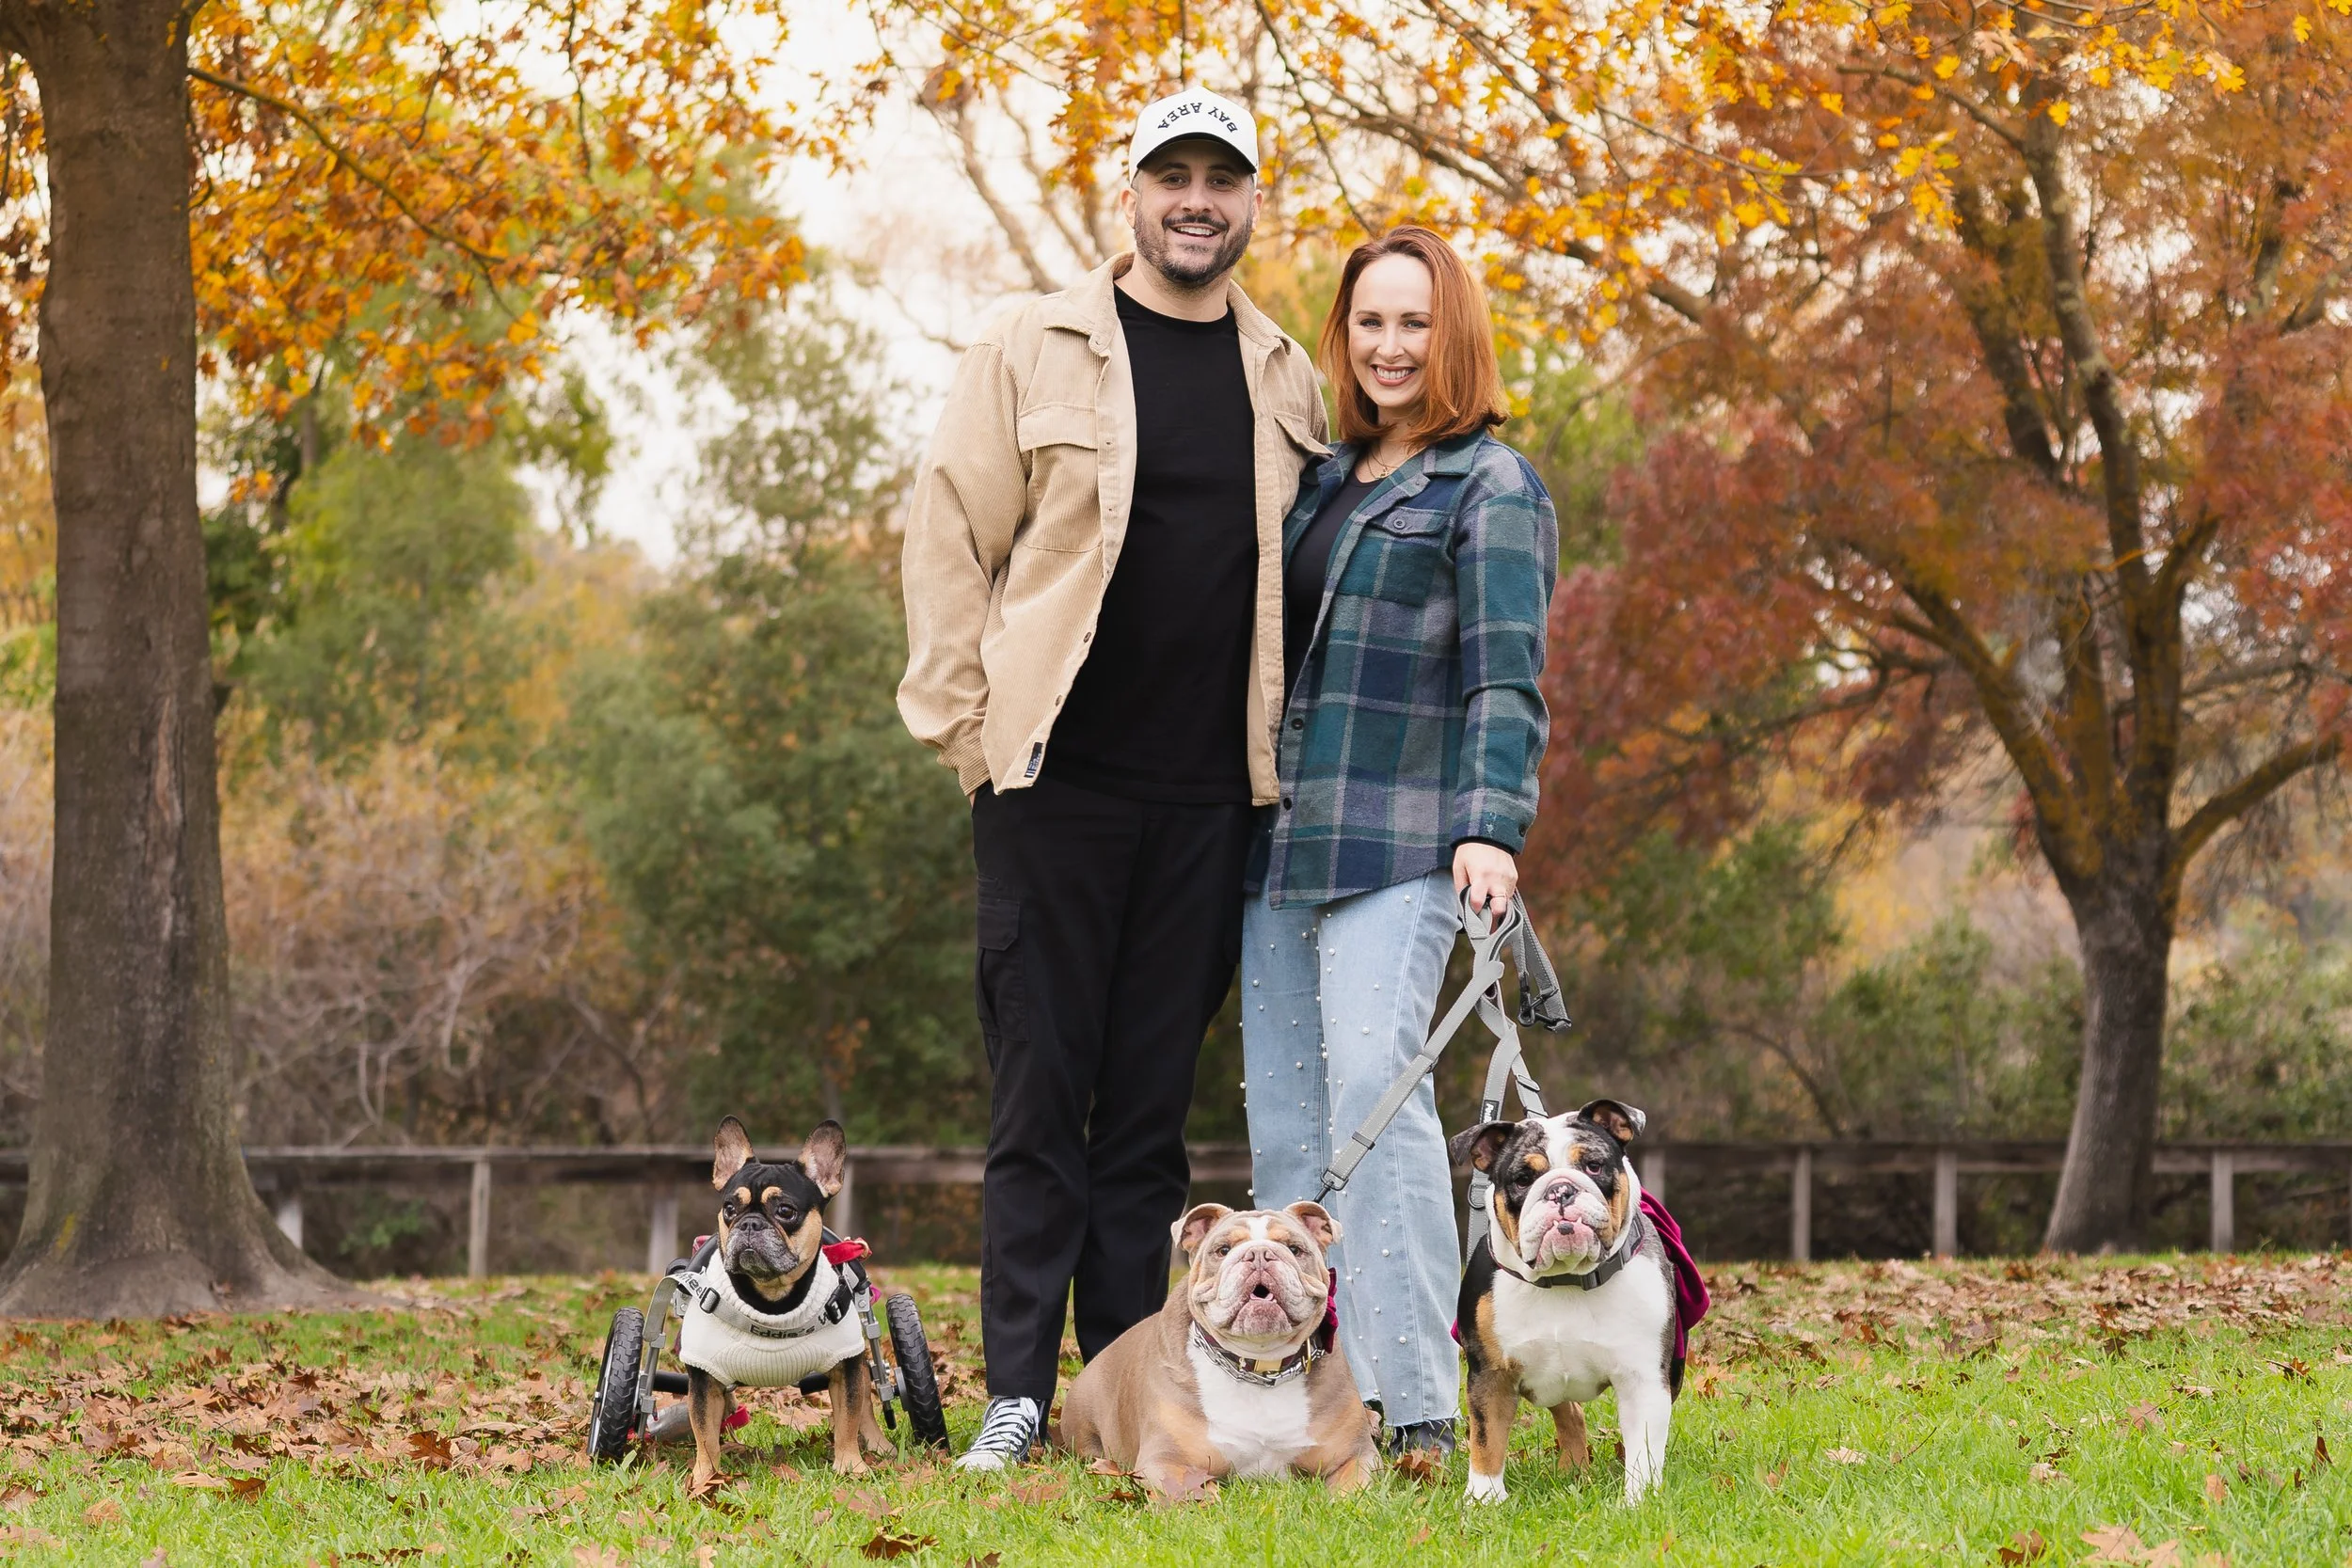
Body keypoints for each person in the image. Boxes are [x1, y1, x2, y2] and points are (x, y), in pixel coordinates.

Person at [897, 87, 1329, 1471]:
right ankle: (1018, 1390)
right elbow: (950, 531)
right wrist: (969, 736)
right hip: (1053, 791)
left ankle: (1121, 1388)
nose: (1196, 198)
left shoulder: (1284, 377)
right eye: (1172, 175)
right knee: (1041, 1101)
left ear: (1253, 199)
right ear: (1130, 192)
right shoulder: (1032, 342)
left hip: (1210, 806)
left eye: (1222, 177)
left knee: (1147, 1122)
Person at [1240, 226, 1558, 1457]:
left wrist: (1492, 824)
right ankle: (1318, 1406)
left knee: (1379, 1100)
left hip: (1408, 836)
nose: (1388, 345)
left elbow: (1507, 680)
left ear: (1453, 333)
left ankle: (1424, 1405)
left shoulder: (1491, 484)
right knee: (1291, 1134)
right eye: (1369, 322)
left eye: (1413, 323)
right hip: (1278, 844)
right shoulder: (1324, 479)